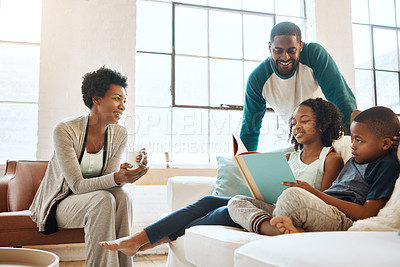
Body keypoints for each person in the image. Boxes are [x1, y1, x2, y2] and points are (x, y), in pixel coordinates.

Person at [99, 98, 345, 256]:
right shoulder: (291, 156)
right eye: (293, 123)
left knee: (221, 212)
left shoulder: (330, 158)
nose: (297, 127)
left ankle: (146, 242)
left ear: (322, 125)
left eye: (305, 121)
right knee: (208, 203)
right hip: (271, 205)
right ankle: (141, 240)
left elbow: (323, 202)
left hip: (295, 212)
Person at [29, 67, 149, 267]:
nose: (122, 106)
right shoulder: (65, 130)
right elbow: (76, 185)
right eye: (117, 98)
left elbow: (110, 181)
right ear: (97, 99)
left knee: (122, 196)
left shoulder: (119, 134)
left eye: (124, 101)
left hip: (93, 199)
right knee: (102, 200)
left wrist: (128, 175)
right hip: (58, 204)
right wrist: (117, 178)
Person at [228, 106, 400, 235]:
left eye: (359, 141)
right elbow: (356, 114)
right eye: (353, 139)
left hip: (341, 218)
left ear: (385, 144)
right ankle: (272, 228)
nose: (353, 146)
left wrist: (314, 193)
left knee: (292, 196)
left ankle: (273, 228)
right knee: (237, 201)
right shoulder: (357, 157)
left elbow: (368, 213)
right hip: (320, 208)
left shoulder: (386, 164)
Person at [241, 21, 357, 152]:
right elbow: (250, 128)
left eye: (291, 51)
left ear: (300, 46)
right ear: (269, 47)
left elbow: (342, 100)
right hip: (299, 141)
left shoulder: (314, 54)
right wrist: (244, 163)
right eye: (278, 51)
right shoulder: (258, 79)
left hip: (332, 137)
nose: (285, 57)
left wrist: (352, 147)